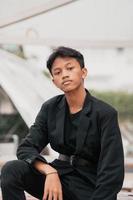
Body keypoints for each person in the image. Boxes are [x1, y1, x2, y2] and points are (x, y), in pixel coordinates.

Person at [1, 46, 124, 200]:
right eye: (58, 72)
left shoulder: (105, 113)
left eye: (70, 68)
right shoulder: (50, 108)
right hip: (58, 177)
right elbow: (26, 148)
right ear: (54, 81)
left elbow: (112, 171)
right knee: (12, 169)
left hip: (89, 185)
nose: (64, 75)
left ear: (83, 72)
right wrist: (49, 171)